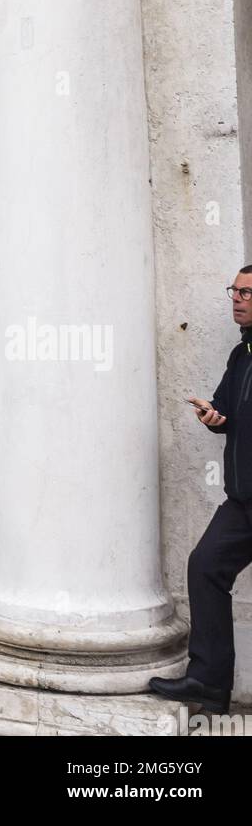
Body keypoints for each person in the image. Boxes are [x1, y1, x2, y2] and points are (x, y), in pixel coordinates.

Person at [149, 267, 252, 714]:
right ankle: (209, 683)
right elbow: (226, 411)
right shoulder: (240, 355)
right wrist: (214, 416)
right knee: (206, 566)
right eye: (235, 290)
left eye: (246, 292)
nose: (237, 299)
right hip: (243, 499)